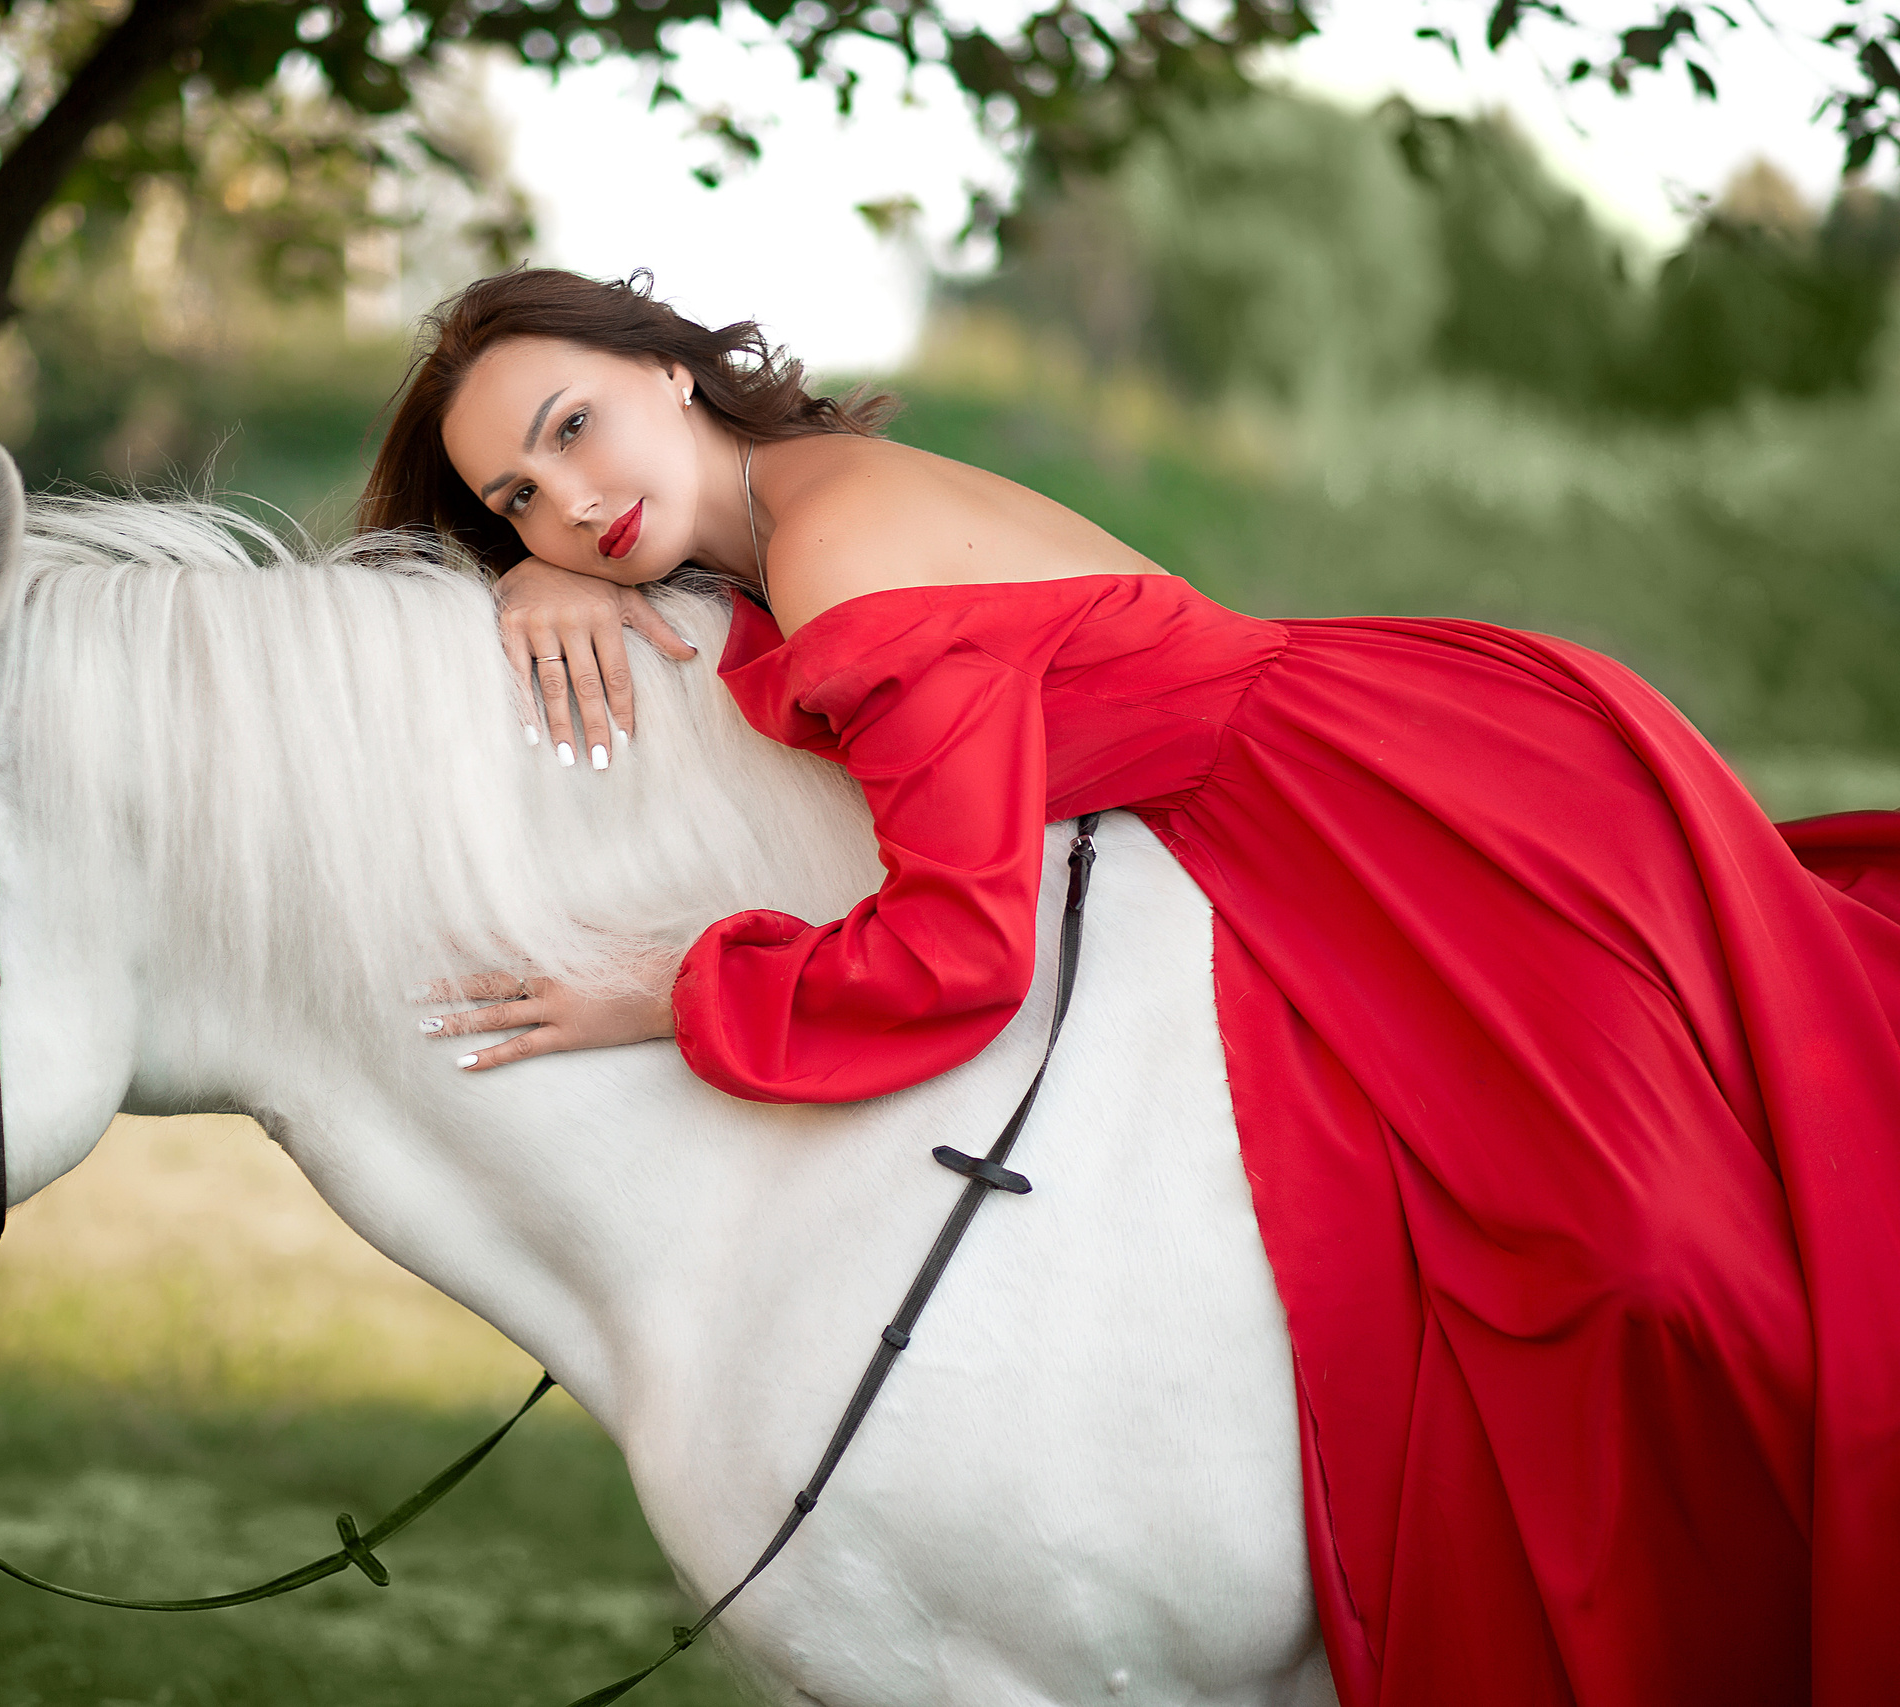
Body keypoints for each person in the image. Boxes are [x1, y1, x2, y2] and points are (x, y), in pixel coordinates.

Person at [356, 266, 1900, 1705]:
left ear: (668, 370)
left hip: (1389, 817)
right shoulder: (771, 519)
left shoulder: (838, 554)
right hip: (1326, 797)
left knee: (1650, 1272)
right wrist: (521, 587)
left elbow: (961, 950)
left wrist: (680, 995)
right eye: (519, 497)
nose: (571, 496)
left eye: (574, 428)